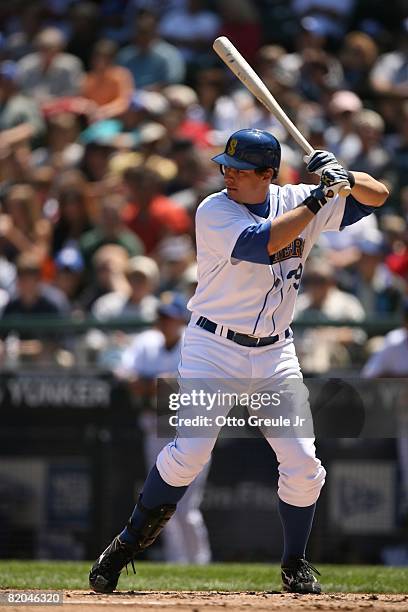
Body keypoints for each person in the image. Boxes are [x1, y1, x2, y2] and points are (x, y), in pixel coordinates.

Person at [89, 128, 388, 594]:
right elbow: (261, 243)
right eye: (225, 167)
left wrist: (343, 174)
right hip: (214, 347)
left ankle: (295, 564)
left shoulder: (296, 195)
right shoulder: (214, 209)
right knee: (189, 454)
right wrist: (318, 199)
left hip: (274, 352)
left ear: (267, 175)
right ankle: (125, 545)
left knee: (305, 464)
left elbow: (378, 195)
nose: (228, 175)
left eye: (240, 170)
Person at [117, 291, 211, 564]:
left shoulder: (194, 342)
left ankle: (200, 562)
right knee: (162, 504)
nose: (165, 322)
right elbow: (123, 374)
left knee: (186, 508)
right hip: (155, 428)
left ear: (182, 319)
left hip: (191, 431)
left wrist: (153, 385)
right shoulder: (147, 341)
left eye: (170, 317)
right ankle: (177, 562)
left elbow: (178, 386)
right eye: (161, 316)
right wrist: (157, 385)